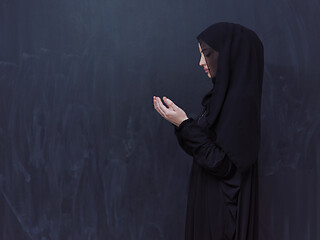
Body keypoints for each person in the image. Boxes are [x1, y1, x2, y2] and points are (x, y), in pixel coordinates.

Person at [153, 22, 264, 240]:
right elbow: (207, 150)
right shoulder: (220, 100)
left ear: (230, 56)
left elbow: (224, 166)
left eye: (207, 54)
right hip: (210, 203)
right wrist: (182, 124)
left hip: (221, 214)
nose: (201, 62)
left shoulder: (240, 104)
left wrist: (185, 124)